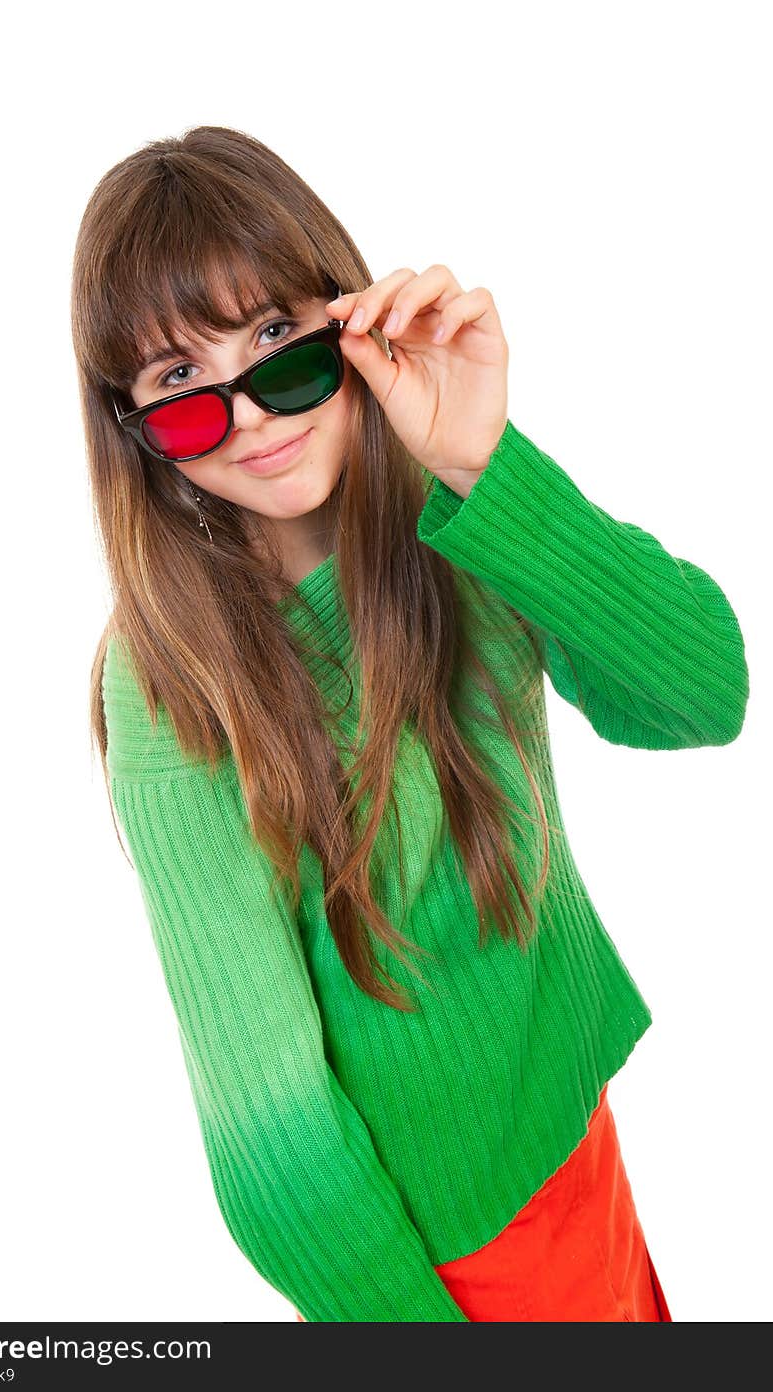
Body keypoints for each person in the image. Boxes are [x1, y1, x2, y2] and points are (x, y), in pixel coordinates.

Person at [71, 125, 748, 1323]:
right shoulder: (169, 680)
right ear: (135, 433)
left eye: (277, 340)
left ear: (347, 316)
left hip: (578, 1154)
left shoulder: (464, 511)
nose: (251, 415)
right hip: (440, 1263)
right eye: (180, 388)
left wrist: (485, 460)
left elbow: (700, 695)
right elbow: (268, 1130)